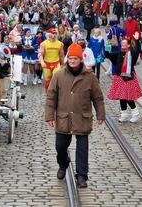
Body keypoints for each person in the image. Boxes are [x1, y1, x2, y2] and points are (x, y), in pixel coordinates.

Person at [45, 43, 105, 188]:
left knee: (82, 149)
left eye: (75, 58)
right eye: (70, 58)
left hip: (82, 117)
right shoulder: (59, 75)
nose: (72, 61)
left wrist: (100, 114)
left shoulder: (89, 76)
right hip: (63, 117)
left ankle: (82, 175)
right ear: (67, 59)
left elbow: (97, 97)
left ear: (80, 59)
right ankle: (63, 164)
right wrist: (49, 116)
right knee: (60, 147)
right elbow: (51, 96)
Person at [105, 33, 142, 123]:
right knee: (121, 97)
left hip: (128, 78)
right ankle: (124, 114)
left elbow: (137, 51)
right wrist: (108, 45)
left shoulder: (131, 53)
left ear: (128, 45)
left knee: (128, 97)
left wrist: (137, 40)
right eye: (122, 43)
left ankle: (135, 113)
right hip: (119, 77)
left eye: (125, 43)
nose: (123, 45)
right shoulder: (118, 53)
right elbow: (108, 56)